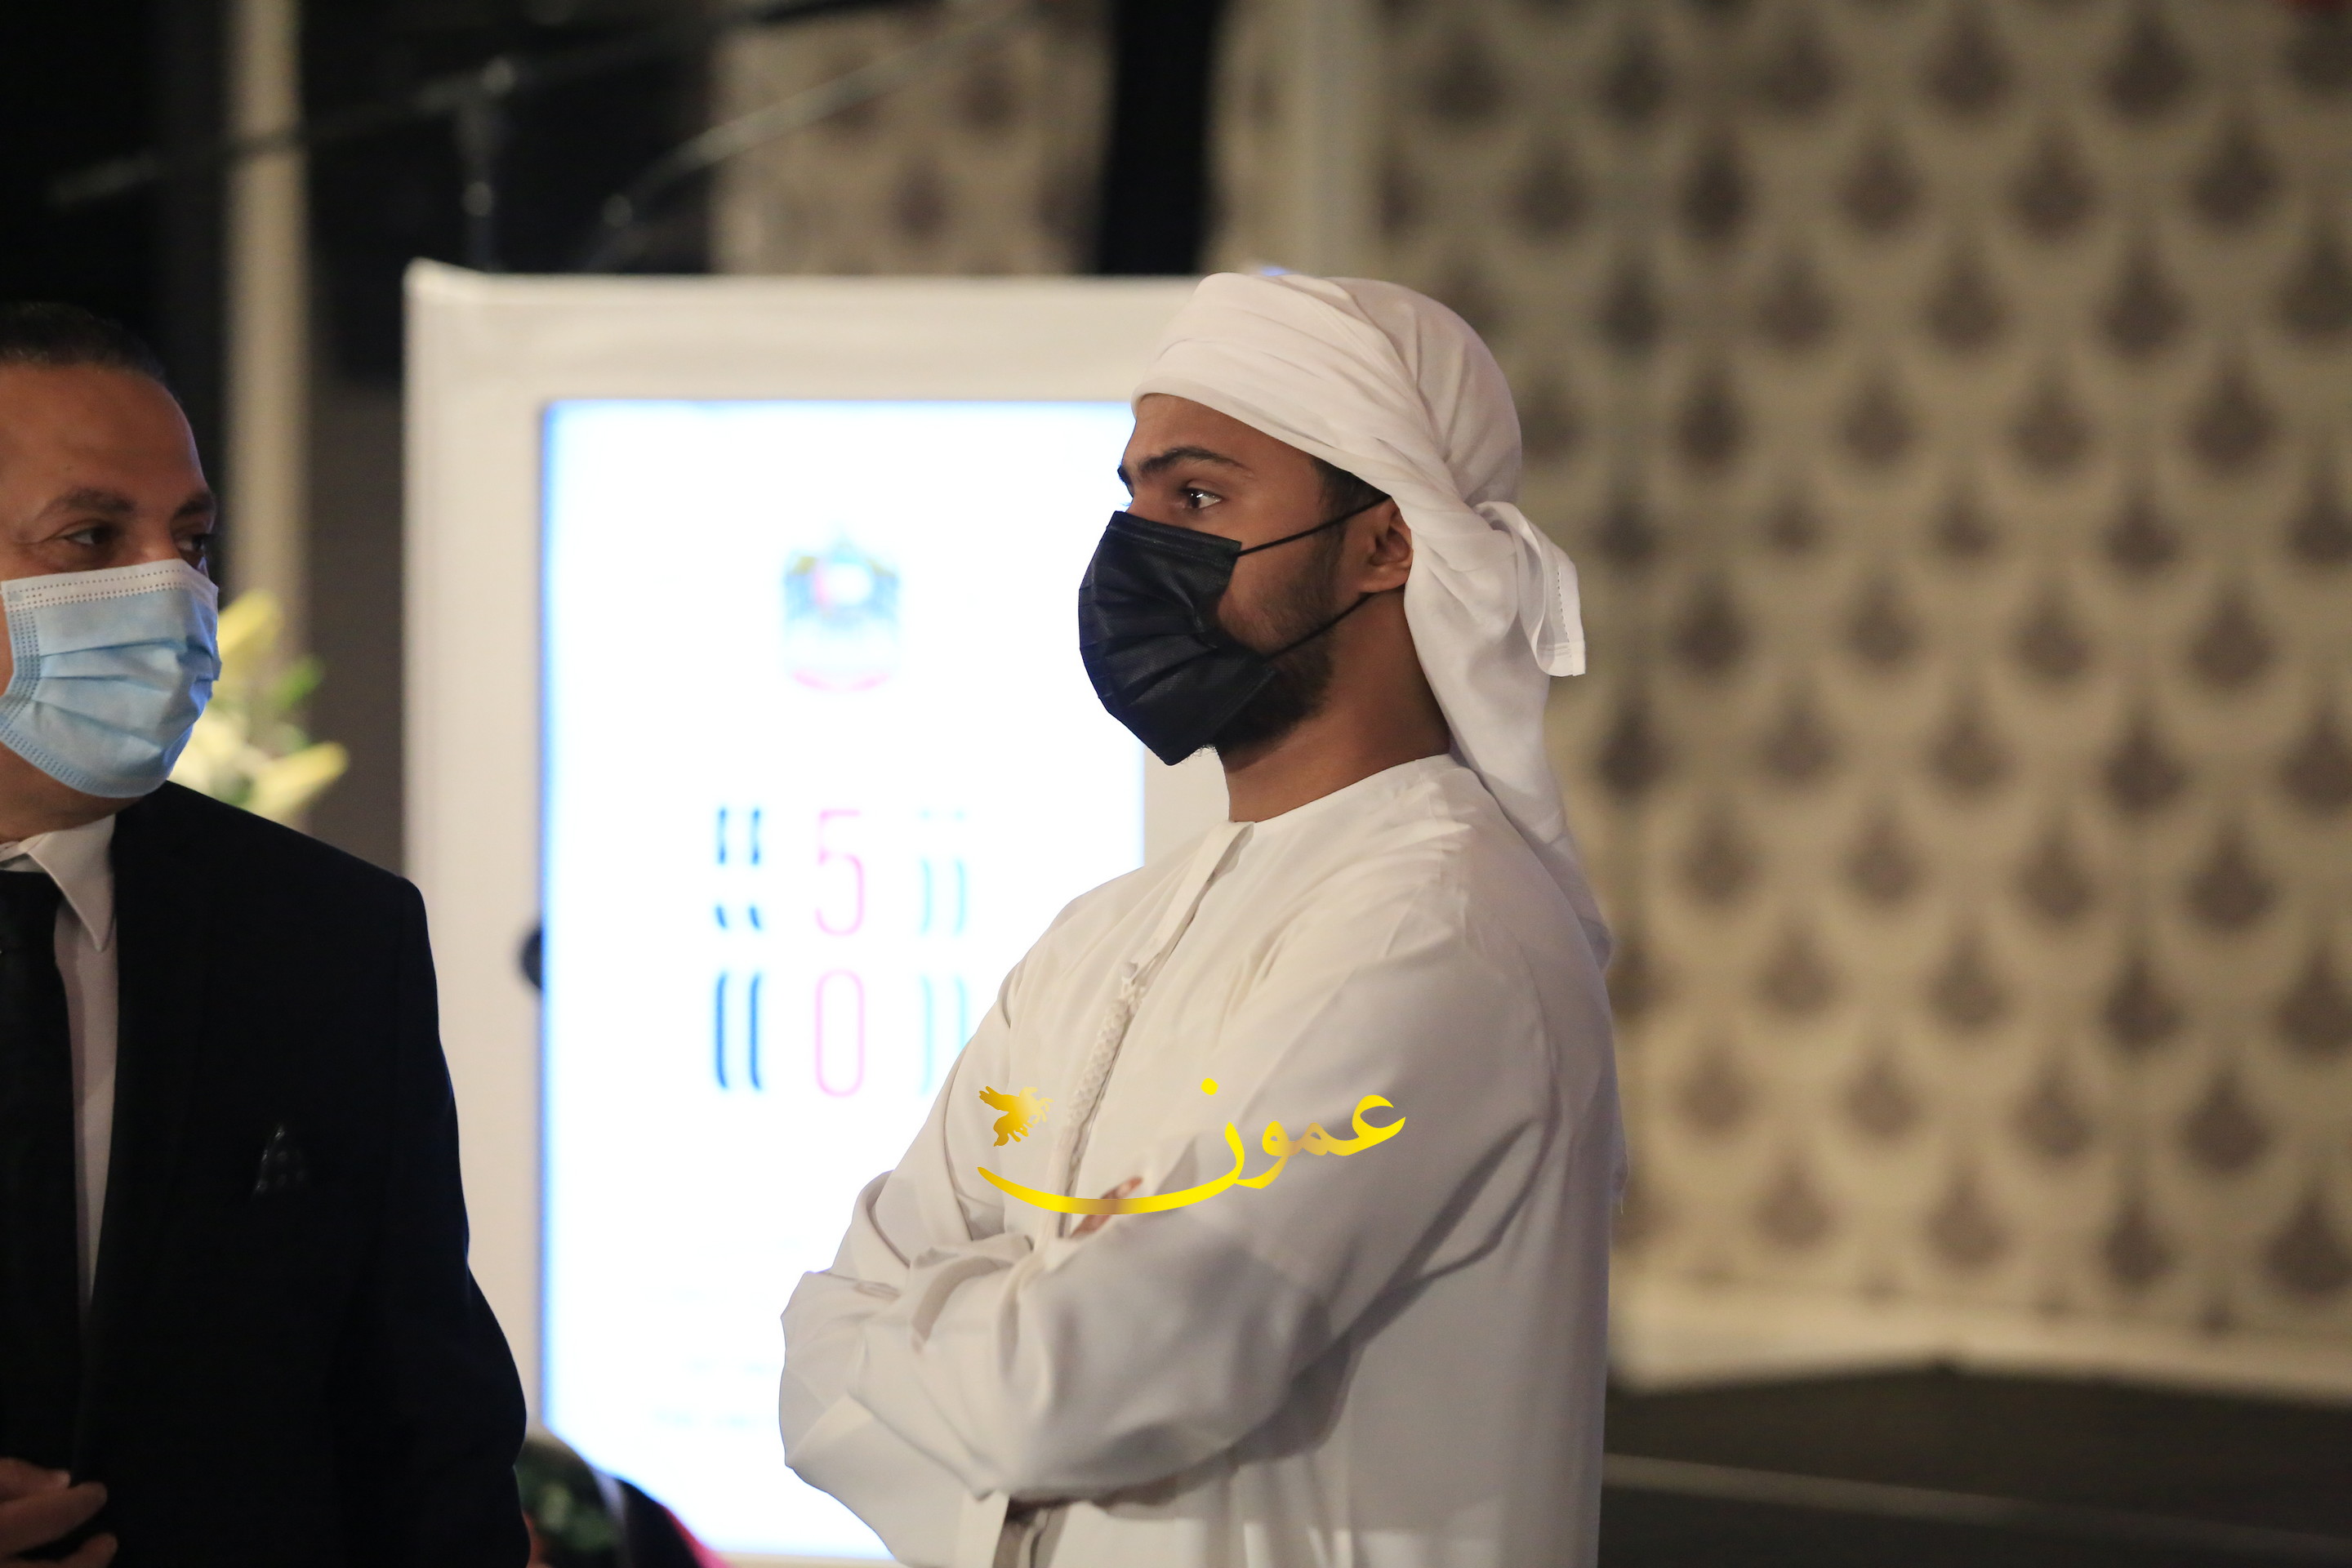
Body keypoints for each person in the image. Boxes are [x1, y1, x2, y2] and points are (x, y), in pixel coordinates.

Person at [779, 273, 1622, 1568]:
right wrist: (1025, 1316)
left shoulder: (1440, 929)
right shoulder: (1097, 938)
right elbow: (815, 1368)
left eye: (1200, 499)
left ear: (1386, 544)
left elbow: (1082, 1387)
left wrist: (959, 1324)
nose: (1136, 548)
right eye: (1135, 497)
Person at [0, 303, 527, 1566]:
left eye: (191, 539)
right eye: (92, 537)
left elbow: (426, 1429)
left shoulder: (327, 941)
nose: (170, 589)